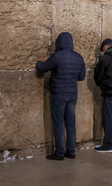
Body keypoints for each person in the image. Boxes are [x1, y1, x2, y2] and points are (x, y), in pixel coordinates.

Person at [36, 32, 86, 160]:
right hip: (72, 94)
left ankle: (59, 152)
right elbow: (81, 77)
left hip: (59, 93)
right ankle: (70, 151)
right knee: (70, 122)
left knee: (58, 122)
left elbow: (43, 68)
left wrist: (39, 62)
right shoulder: (78, 57)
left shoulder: (57, 56)